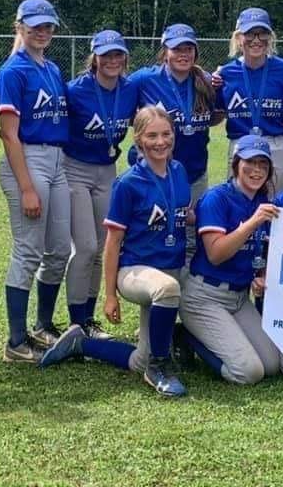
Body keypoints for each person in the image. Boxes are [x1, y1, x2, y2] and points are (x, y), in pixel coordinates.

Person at [38, 106, 191, 398]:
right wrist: (109, 295)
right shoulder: (128, 183)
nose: (160, 142)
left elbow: (178, 212)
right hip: (135, 271)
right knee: (169, 289)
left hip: (167, 268)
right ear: (138, 140)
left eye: (166, 134)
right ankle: (160, 367)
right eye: (152, 135)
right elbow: (112, 242)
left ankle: (81, 344)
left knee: (138, 359)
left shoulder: (179, 171)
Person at [0, 0, 74, 363]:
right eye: (34, 25)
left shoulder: (52, 68)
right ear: (19, 27)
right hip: (28, 159)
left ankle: (42, 326)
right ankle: (15, 339)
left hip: (57, 161)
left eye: (47, 26)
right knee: (28, 250)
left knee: (58, 250)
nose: (42, 32)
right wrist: (26, 186)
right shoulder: (14, 71)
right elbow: (9, 134)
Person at [178, 135, 283, 384]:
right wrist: (252, 223)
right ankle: (188, 337)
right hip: (204, 295)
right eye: (250, 162)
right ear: (236, 164)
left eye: (263, 164)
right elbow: (216, 255)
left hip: (238, 297)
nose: (256, 170)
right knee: (249, 372)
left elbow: (261, 252)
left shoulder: (262, 202)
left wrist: (261, 277)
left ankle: (200, 335)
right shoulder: (217, 197)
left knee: (271, 364)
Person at [62, 30, 139, 338]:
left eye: (118, 54)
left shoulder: (130, 89)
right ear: (94, 58)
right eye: (105, 55)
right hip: (74, 169)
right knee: (85, 247)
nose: (112, 61)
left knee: (102, 247)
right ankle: (75, 321)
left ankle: (88, 319)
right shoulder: (75, 90)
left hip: (107, 170)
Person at [130, 24, 218, 262]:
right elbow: (123, 108)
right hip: (156, 175)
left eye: (188, 48)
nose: (183, 54)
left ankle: (186, 295)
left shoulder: (206, 82)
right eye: (176, 48)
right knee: (156, 231)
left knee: (191, 236)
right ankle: (154, 291)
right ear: (164, 52)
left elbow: (217, 116)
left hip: (194, 173)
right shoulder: (145, 80)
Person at [214, 8, 283, 195]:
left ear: (270, 37)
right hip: (240, 143)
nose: (256, 40)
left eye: (262, 34)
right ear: (239, 38)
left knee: (276, 206)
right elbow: (217, 111)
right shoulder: (225, 74)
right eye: (250, 34)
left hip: (275, 144)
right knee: (238, 203)